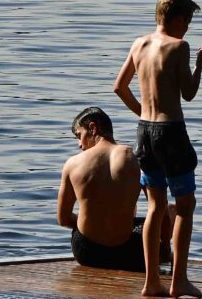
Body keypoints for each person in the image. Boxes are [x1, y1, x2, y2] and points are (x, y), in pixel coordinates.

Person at [113, 0, 202, 299]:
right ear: (178, 18)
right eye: (188, 21)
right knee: (184, 206)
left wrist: (143, 114)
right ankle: (179, 280)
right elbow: (189, 94)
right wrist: (200, 65)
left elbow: (119, 87)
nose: (188, 28)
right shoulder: (179, 47)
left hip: (145, 131)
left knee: (155, 207)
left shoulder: (139, 43)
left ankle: (151, 281)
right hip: (171, 132)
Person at [58, 106, 157, 273]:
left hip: (88, 252)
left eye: (79, 135)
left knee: (80, 223)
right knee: (156, 217)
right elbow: (157, 207)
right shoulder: (136, 158)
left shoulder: (73, 164)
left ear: (92, 128)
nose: (79, 145)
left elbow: (63, 218)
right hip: (128, 253)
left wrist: (93, 224)